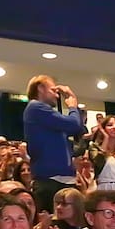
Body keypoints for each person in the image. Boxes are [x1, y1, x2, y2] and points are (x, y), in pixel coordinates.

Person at [23, 74, 83, 216]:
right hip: (50, 181)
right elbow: (73, 124)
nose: (57, 96)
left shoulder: (45, 114)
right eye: (53, 91)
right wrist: (73, 105)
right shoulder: (36, 107)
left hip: (59, 180)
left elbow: (77, 128)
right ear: (41, 88)